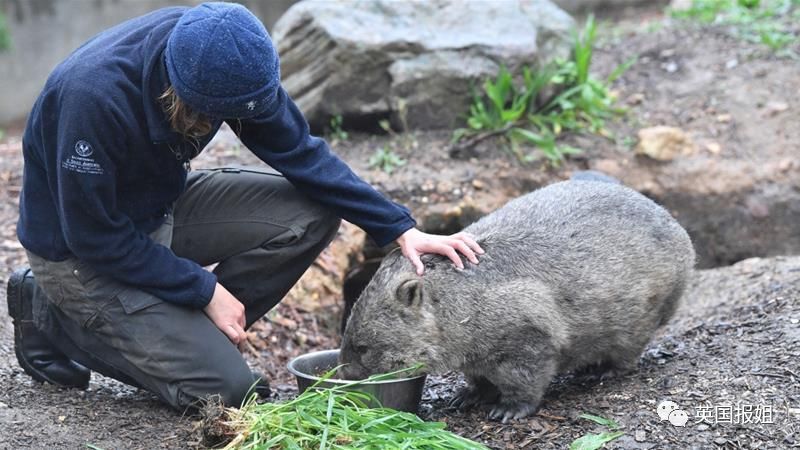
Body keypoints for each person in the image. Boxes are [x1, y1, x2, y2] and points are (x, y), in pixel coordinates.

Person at [7, 2, 483, 411]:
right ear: (179, 86)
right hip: (78, 254)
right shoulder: (93, 98)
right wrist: (203, 289)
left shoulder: (230, 56)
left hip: (159, 208)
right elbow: (94, 236)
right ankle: (50, 314)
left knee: (310, 214)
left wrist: (399, 228)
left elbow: (299, 151)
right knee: (232, 393)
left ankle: (190, 336)